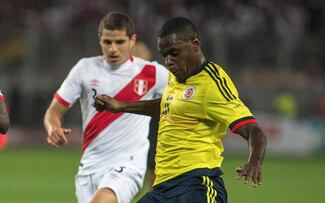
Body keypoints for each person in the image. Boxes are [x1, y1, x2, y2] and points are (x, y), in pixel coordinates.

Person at [95, 17, 267, 202]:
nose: (168, 61)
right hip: (163, 188)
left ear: (195, 44)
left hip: (197, 185)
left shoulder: (212, 84)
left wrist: (254, 162)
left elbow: (253, 130)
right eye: (164, 55)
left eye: (174, 53)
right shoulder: (177, 76)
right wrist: (121, 106)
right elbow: (168, 105)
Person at [43, 11, 168, 203]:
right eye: (107, 42)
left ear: (132, 40)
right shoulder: (84, 69)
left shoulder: (152, 73)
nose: (113, 49)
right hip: (90, 166)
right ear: (99, 39)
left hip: (128, 164)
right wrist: (53, 128)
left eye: (119, 42)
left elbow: (186, 96)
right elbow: (53, 111)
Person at [131, 40, 158, 187]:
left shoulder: (156, 76)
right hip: (135, 133)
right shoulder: (124, 79)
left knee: (155, 170)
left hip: (153, 130)